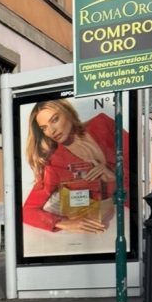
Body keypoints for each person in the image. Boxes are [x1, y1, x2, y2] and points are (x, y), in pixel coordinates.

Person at [23, 98, 129, 233]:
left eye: (55, 120)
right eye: (44, 128)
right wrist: (62, 223)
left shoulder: (103, 123)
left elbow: (137, 162)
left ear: (68, 112)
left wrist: (115, 177)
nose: (52, 131)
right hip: (102, 227)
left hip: (130, 215)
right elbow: (27, 211)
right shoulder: (54, 165)